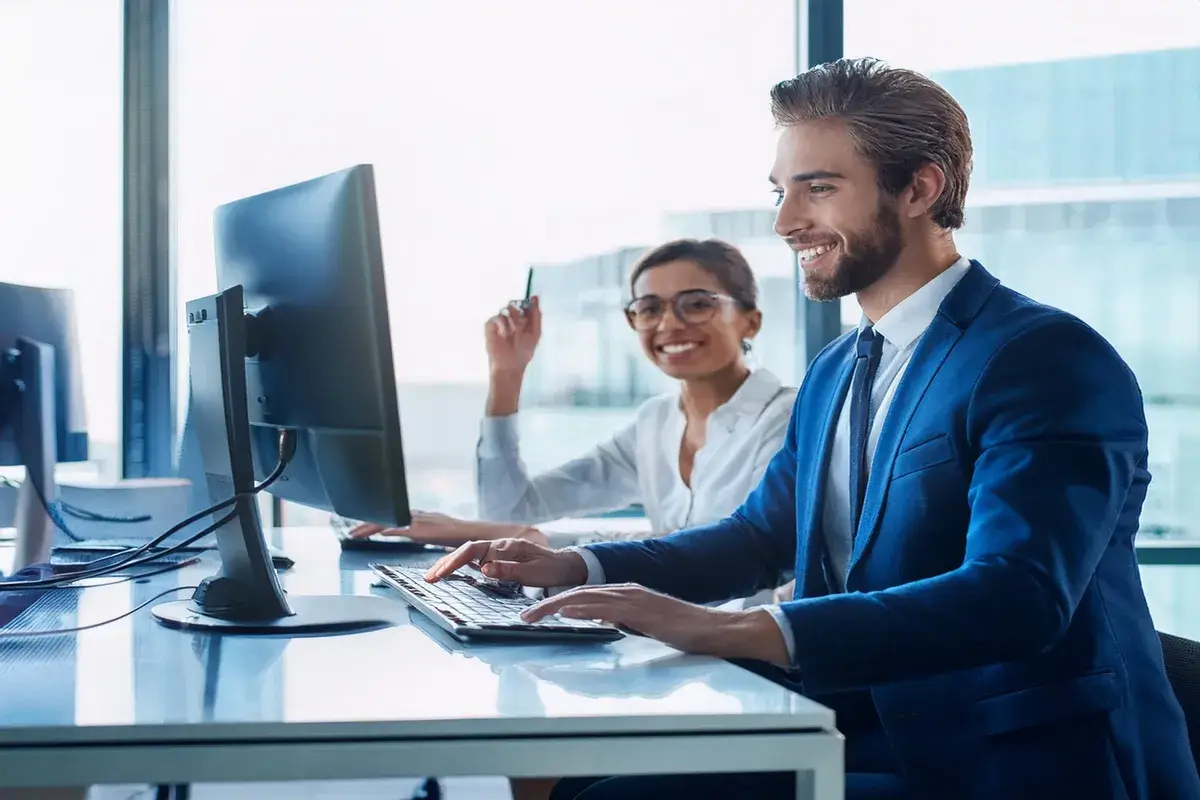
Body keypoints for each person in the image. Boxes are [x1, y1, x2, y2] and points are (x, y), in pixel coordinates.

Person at [424, 58, 1200, 800]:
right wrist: (578, 568)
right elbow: (758, 537)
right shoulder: (837, 367)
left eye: (818, 189)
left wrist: (739, 630)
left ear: (920, 189)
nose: (787, 221)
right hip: (872, 724)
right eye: (780, 191)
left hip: (1012, 760)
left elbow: (1018, 596)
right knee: (593, 784)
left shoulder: (1041, 358)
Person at [352, 238, 798, 568]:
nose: (669, 324)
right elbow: (512, 509)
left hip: (748, 656)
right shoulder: (656, 424)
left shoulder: (787, 420)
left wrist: (484, 533)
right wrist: (507, 375)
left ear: (750, 321)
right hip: (669, 639)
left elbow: (718, 557)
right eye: (648, 308)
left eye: (696, 304)